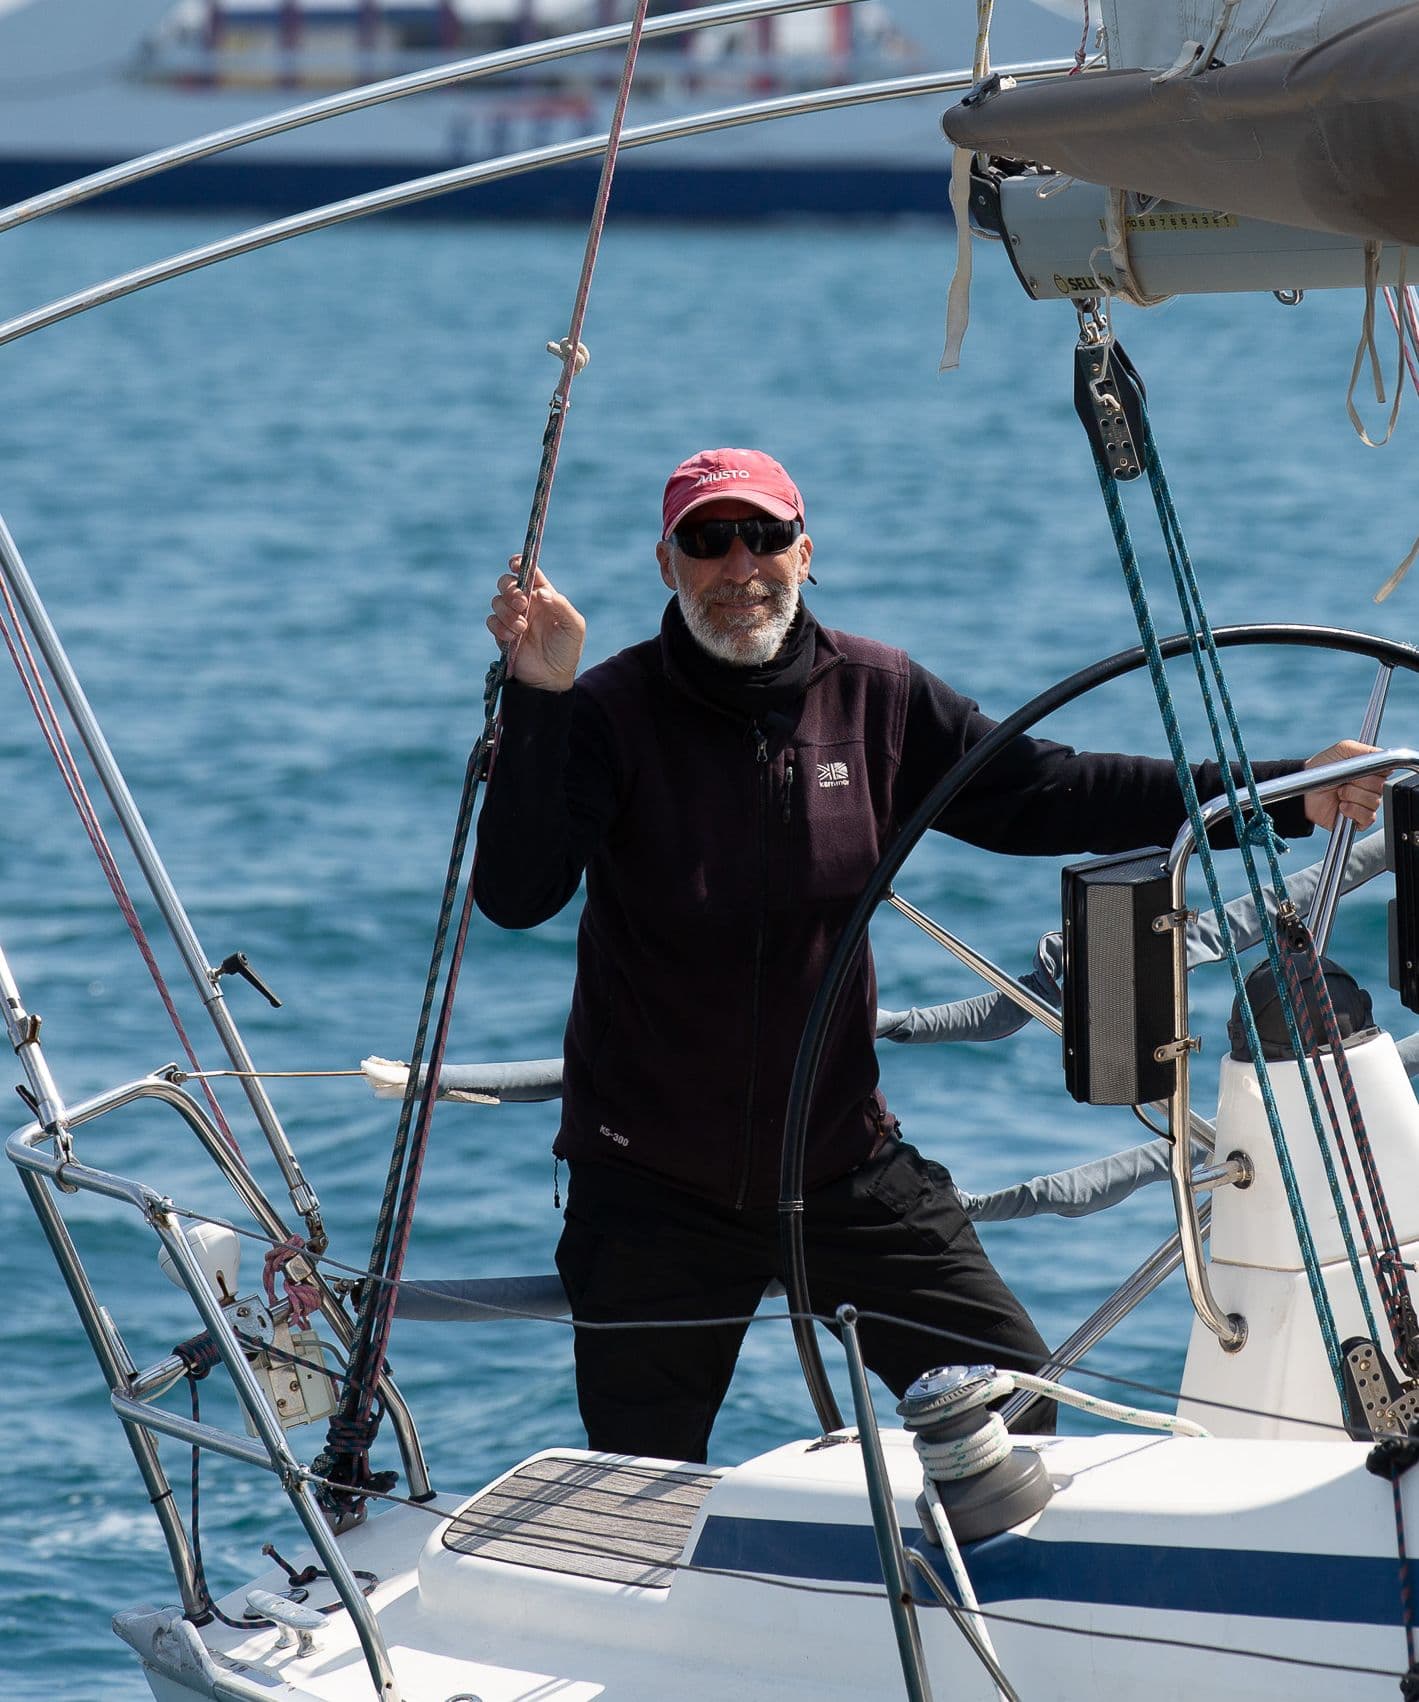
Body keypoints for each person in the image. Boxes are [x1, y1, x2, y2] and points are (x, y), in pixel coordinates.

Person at [474, 446, 1384, 1464]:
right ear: (666, 563)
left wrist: (1279, 790)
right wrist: (538, 695)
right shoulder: (605, 709)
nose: (741, 566)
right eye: (709, 540)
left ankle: (924, 1599)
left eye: (765, 536)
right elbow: (516, 894)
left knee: (1016, 1407)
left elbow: (1054, 789)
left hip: (841, 1165)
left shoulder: (879, 695)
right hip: (652, 1188)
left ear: (805, 552)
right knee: (637, 1484)